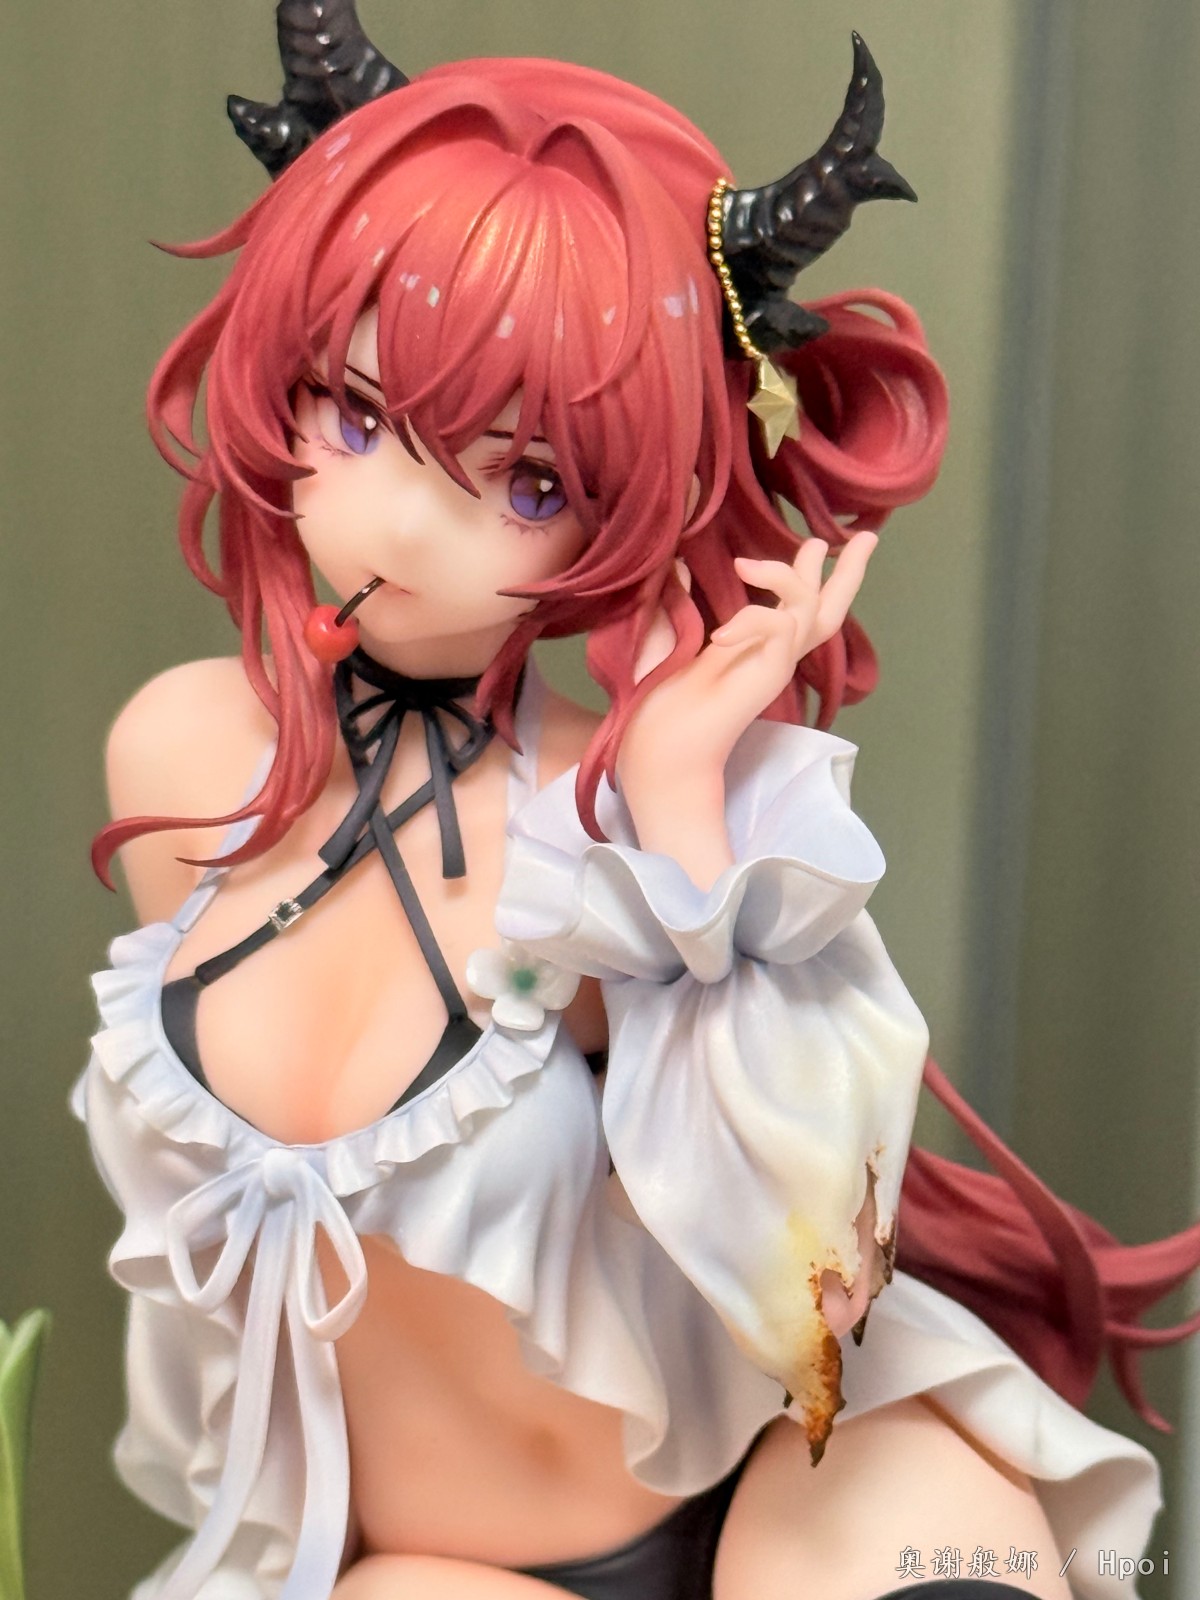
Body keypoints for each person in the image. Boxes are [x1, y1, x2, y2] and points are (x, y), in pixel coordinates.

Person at [76, 5, 1199, 1598]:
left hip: (799, 1484)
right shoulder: (179, 761)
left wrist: (676, 818)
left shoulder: (635, 814)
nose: (407, 525)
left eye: (528, 481)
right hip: (439, 1565)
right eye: (359, 414)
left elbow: (816, 1272)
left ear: (633, 497)